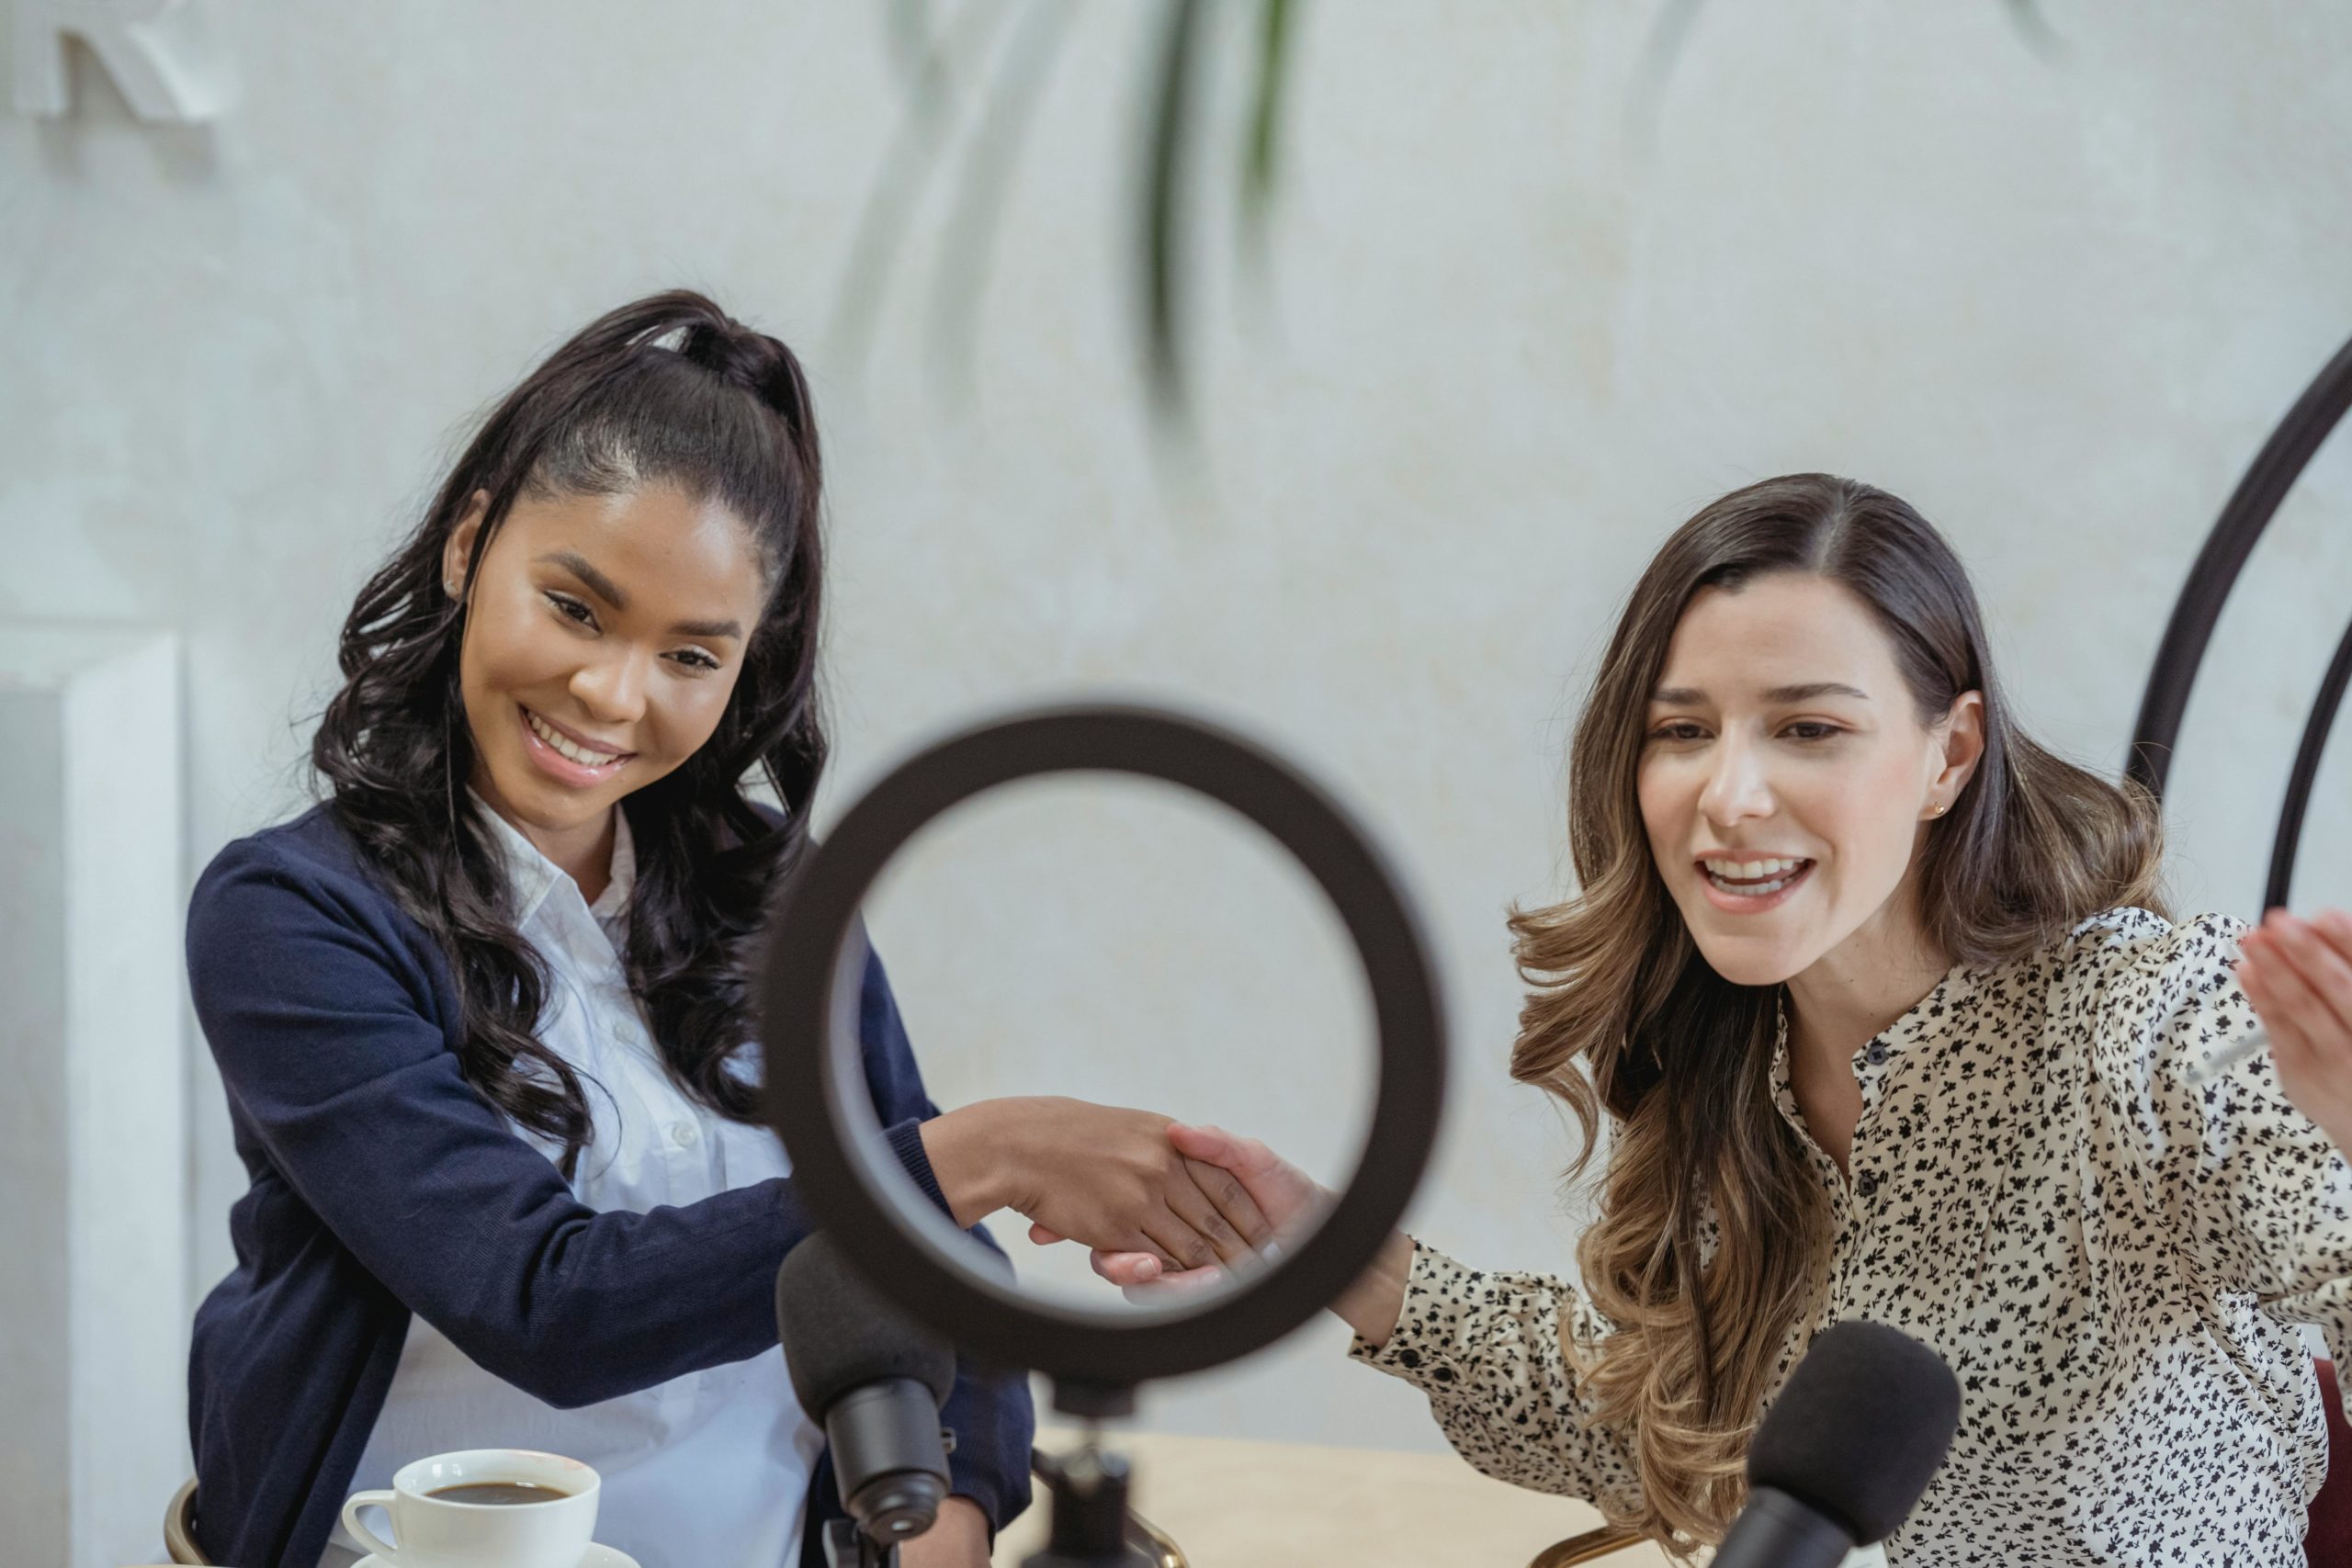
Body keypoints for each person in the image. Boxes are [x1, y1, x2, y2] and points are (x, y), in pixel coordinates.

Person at [1069, 474, 2352, 1564]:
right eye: (1682, 731)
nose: (1728, 795)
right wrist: (1330, 1251)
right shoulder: (1736, 1062)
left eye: (1807, 728)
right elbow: (1653, 1419)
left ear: (1951, 757)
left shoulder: (2164, 1027)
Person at [184, 291, 1273, 1568]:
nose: (612, 694)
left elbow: (950, 1271)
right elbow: (546, 1303)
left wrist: (958, 1521)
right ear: (469, 546)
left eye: (692, 657)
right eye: (577, 608)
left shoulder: (776, 890)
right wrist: (982, 1152)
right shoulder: (290, 918)